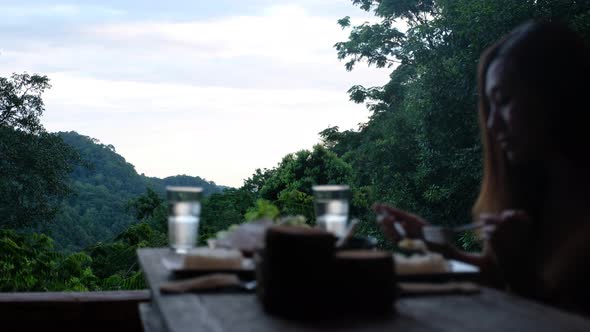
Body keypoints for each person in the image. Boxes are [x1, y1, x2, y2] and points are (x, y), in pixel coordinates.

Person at [374, 20, 590, 314]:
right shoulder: (535, 191)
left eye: (503, 101)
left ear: (555, 93)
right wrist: (435, 244)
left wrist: (519, 272)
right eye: (490, 107)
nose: (491, 124)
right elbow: (493, 276)